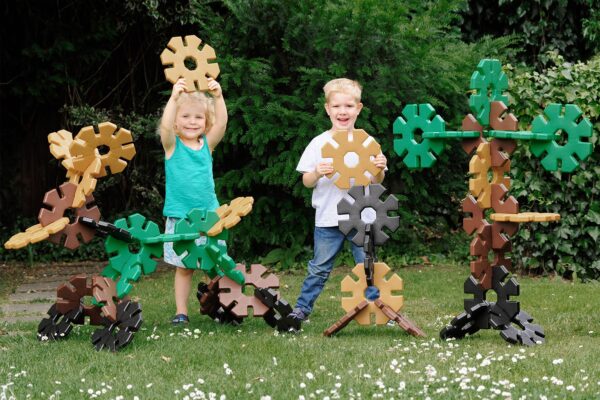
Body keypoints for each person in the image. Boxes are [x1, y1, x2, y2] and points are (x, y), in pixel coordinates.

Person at [288, 78, 387, 322]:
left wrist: (380, 167)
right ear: (327, 109)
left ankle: (379, 308)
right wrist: (318, 172)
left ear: (359, 108)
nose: (343, 112)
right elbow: (307, 181)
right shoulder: (318, 143)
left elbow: (377, 181)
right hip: (328, 218)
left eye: (349, 106)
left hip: (361, 217)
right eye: (337, 106)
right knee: (319, 268)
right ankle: (302, 309)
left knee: (367, 266)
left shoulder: (367, 142)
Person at [158, 76, 227, 325]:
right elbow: (164, 128)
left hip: (209, 216)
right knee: (184, 267)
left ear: (205, 122)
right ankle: (181, 312)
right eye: (185, 116)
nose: (191, 122)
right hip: (181, 217)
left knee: (216, 266)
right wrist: (174, 99)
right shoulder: (172, 147)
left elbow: (221, 125)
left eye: (198, 117)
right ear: (176, 122)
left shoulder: (206, 146)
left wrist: (218, 97)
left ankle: (222, 307)